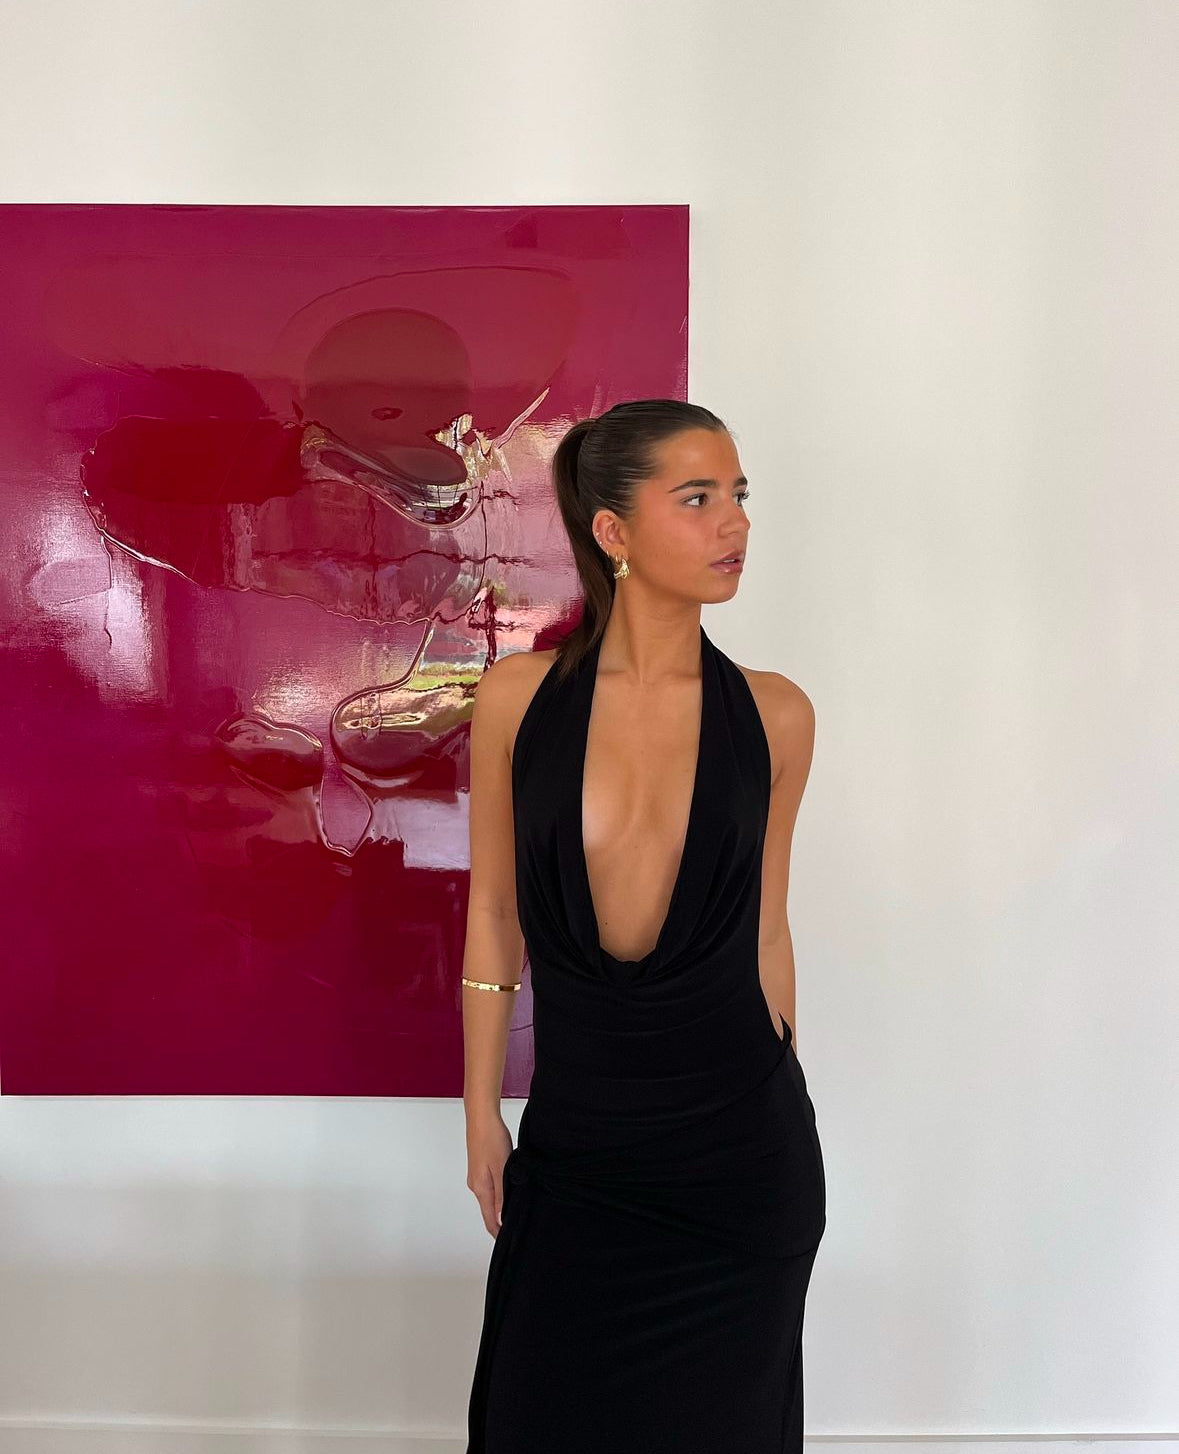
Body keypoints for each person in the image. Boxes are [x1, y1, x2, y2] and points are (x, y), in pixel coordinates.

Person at [462, 399, 826, 1453]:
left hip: (740, 1161)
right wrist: (481, 1110)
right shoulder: (516, 699)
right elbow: (494, 911)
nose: (735, 524)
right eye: (698, 498)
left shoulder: (777, 714)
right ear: (613, 529)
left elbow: (765, 930)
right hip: (578, 1151)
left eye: (739, 496)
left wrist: (784, 1086)